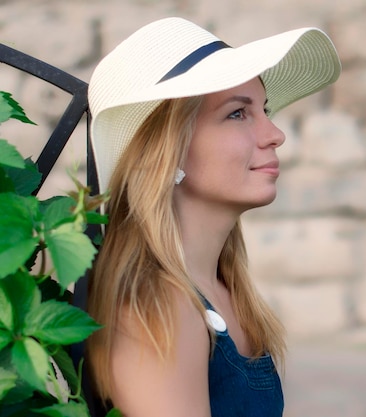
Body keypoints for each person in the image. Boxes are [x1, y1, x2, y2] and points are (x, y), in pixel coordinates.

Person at [85, 17, 340, 417]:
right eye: (238, 114)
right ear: (169, 148)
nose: (275, 133)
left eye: (264, 109)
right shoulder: (160, 305)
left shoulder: (220, 289)